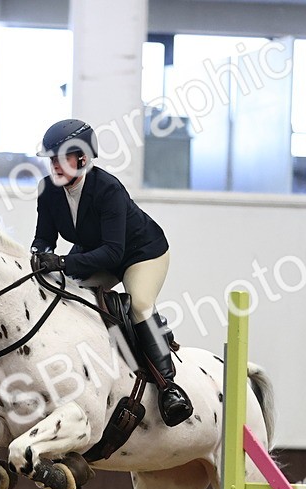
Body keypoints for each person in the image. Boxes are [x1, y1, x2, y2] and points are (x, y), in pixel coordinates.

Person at [29, 118, 193, 427]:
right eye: (52, 159)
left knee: (140, 304)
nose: (55, 165)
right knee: (65, 295)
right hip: (94, 253)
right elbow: (44, 237)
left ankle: (168, 387)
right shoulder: (48, 190)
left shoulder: (108, 189)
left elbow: (115, 252)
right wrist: (39, 255)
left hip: (141, 252)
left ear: (83, 158)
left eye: (62, 157)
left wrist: (62, 263)